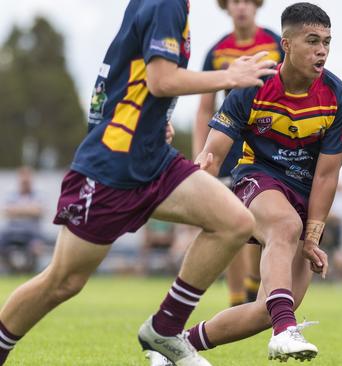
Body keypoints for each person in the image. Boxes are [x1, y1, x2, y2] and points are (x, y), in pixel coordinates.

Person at [0, 0, 278, 364]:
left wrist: (151, 119)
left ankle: (164, 329)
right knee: (63, 282)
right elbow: (161, 80)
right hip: (113, 166)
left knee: (235, 221)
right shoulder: (166, 3)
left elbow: (117, 74)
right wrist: (229, 76)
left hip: (153, 158)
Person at [154, 3, 342, 363]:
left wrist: (312, 237)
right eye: (312, 41)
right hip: (255, 180)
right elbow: (214, 152)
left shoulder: (340, 99)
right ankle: (284, 333)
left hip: (304, 198)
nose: (322, 50)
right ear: (287, 45)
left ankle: (174, 347)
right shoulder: (252, 89)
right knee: (284, 225)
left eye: (327, 42)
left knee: (271, 307)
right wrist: (198, 179)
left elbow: (326, 175)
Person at [194, 0, 284, 307]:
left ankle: (253, 283)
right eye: (235, 1)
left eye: (247, 0)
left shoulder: (275, 44)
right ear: (226, 7)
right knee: (229, 223)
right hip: (228, 148)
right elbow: (205, 107)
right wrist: (200, 157)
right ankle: (237, 302)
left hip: (267, 146)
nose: (241, 7)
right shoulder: (217, 51)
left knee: (260, 223)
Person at [0, 167, 45, 273]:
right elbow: (6, 211)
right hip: (11, 232)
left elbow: (39, 211)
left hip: (31, 232)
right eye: (23, 180)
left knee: (37, 246)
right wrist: (29, 210)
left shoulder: (39, 194)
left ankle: (33, 271)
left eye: (27, 180)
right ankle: (7, 270)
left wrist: (17, 210)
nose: (25, 183)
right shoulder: (11, 194)